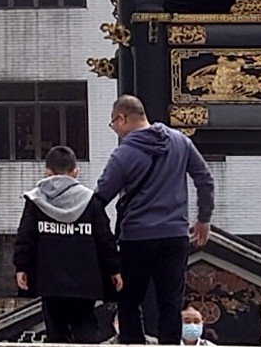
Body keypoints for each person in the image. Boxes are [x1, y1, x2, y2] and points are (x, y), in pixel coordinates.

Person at [93, 95, 214, 345]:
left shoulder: (123, 154)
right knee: (170, 301)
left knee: (129, 299)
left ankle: (134, 344)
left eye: (113, 124)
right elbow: (205, 179)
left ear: (122, 118)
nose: (115, 129)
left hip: (137, 237)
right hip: (175, 235)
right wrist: (203, 219)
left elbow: (102, 195)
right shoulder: (181, 142)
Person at [13, 144, 121, 343]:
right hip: (85, 281)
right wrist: (114, 270)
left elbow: (25, 237)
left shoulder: (35, 201)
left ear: (47, 172)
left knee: (56, 331)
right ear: (75, 172)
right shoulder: (91, 201)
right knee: (86, 326)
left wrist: (22, 267)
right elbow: (105, 240)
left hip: (50, 280)